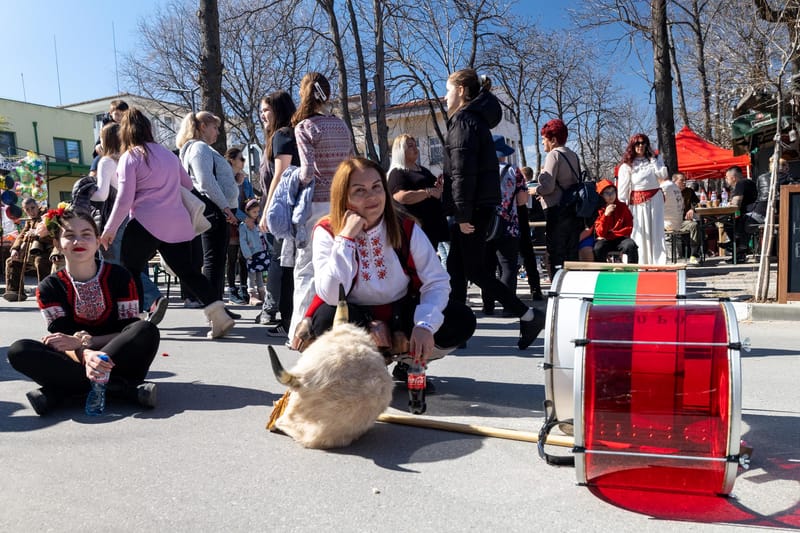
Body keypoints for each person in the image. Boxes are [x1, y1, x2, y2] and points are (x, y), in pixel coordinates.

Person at [308, 157, 475, 382]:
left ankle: (408, 363)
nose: (371, 197)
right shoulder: (328, 231)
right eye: (359, 190)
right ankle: (363, 369)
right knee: (326, 320)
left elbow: (436, 281)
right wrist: (346, 238)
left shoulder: (405, 227)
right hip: (357, 315)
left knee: (459, 319)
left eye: (377, 187)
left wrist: (425, 324)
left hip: (402, 312)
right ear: (343, 196)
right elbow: (329, 293)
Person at [7, 207, 160, 415]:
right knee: (19, 350)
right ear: (57, 245)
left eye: (86, 235)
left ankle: (62, 393)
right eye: (69, 236)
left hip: (119, 358)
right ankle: (122, 388)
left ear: (98, 242)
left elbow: (128, 331)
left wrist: (86, 344)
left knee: (145, 329)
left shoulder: (121, 277)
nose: (78, 241)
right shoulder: (48, 287)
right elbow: (62, 341)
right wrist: (85, 354)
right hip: (75, 360)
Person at [100, 108, 234, 339]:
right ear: (149, 129)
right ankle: (219, 316)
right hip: (177, 223)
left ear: (125, 132)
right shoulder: (169, 155)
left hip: (144, 222)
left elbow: (124, 199)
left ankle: (134, 321)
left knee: (130, 269)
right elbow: (188, 185)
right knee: (189, 272)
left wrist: (109, 229)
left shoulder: (130, 157)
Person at [442, 68, 544, 350]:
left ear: (462, 90)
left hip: (471, 210)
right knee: (456, 270)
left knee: (474, 271)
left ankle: (529, 315)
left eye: (448, 89)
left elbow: (462, 172)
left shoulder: (463, 121)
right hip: (478, 207)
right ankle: (454, 330)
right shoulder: (476, 122)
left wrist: (462, 214)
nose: (445, 96)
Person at [287, 73, 354, 345]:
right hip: (341, 202)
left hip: (315, 204)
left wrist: (289, 183)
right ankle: (335, 330)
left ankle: (298, 334)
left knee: (306, 268)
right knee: (339, 265)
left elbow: (305, 173)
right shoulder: (341, 126)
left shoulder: (304, 127)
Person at [91, 122, 169, 323]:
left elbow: (102, 194)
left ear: (105, 140)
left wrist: (85, 190)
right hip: (135, 216)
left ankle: (150, 298)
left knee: (111, 264)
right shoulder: (132, 158)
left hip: (114, 218)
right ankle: (137, 305)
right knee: (127, 264)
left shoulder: (106, 161)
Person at [176, 111, 240, 302]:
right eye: (215, 127)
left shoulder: (194, 149)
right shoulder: (200, 148)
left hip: (213, 209)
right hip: (214, 209)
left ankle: (217, 305)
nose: (218, 132)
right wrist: (225, 207)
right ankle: (215, 308)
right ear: (203, 127)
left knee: (217, 260)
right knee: (215, 260)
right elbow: (205, 181)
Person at [256, 90, 300, 331]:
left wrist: (266, 212)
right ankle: (283, 314)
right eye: (261, 111)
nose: (263, 115)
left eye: (267, 110)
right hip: (285, 208)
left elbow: (280, 175)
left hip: (282, 210)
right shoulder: (283, 135)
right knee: (285, 262)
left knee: (283, 263)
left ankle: (284, 317)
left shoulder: (283, 136)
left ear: (279, 110)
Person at [528, 118, 582, 277]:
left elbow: (549, 186)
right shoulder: (573, 155)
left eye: (544, 139)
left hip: (556, 211)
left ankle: (558, 289)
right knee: (572, 252)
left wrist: (535, 190)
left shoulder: (554, 155)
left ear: (553, 139)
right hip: (573, 210)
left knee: (556, 253)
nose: (543, 143)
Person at [481, 136, 527, 315]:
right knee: (507, 267)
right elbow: (522, 200)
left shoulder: (480, 173)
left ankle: (488, 305)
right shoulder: (514, 171)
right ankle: (508, 306)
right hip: (509, 226)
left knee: (486, 268)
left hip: (485, 227)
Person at [387, 134, 448, 250]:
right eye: (410, 146)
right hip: (415, 231)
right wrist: (427, 192)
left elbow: (437, 192)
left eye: (415, 145)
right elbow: (401, 197)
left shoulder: (423, 170)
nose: (415, 149)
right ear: (400, 150)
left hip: (432, 228)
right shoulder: (397, 173)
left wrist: (440, 186)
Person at [617, 134, 667, 264]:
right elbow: (622, 192)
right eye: (637, 144)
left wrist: (654, 161)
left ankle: (658, 262)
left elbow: (663, 175)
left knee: (656, 231)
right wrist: (622, 210)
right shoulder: (627, 165)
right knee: (640, 233)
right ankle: (640, 262)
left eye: (643, 143)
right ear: (632, 146)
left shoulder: (656, 159)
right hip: (637, 203)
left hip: (655, 199)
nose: (640, 146)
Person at [3, 198, 55, 302]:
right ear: (24, 210)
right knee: (11, 261)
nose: (31, 211)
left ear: (37, 206)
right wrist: (15, 249)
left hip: (46, 251)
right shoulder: (29, 221)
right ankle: (15, 292)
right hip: (29, 252)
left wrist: (38, 233)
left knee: (41, 261)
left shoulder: (48, 217)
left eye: (33, 208)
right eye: (27, 209)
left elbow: (54, 235)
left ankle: (45, 292)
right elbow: (21, 236)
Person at [224, 147, 252, 305]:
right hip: (231, 223)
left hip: (244, 224)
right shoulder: (226, 179)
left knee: (244, 258)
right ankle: (232, 290)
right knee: (232, 258)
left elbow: (250, 200)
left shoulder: (245, 180)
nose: (243, 162)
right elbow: (228, 203)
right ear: (232, 161)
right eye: (241, 159)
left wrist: (252, 217)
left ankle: (244, 288)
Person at [592, 179, 638, 263]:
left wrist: (613, 234)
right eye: (607, 193)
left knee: (631, 245)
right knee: (598, 248)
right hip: (605, 239)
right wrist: (606, 215)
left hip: (620, 238)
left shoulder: (622, 207)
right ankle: (601, 272)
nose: (611, 195)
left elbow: (629, 227)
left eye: (613, 192)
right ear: (601, 195)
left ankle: (632, 272)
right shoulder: (598, 209)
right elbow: (600, 232)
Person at [660, 173, 700, 264]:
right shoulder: (667, 191)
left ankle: (693, 255)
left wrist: (692, 209)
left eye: (685, 180)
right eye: (681, 180)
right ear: (674, 182)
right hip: (668, 222)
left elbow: (697, 203)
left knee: (694, 225)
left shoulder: (689, 191)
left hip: (683, 221)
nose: (684, 182)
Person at [517, 167, 545, 294]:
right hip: (530, 222)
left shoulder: (529, 188)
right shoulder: (537, 187)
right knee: (531, 255)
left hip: (523, 221)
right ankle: (535, 288)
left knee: (527, 253)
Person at [722, 165, 758, 254]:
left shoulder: (740, 183)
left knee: (726, 221)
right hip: (754, 212)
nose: (726, 180)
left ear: (733, 178)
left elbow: (736, 202)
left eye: (727, 177)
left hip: (750, 216)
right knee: (730, 220)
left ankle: (738, 247)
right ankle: (736, 245)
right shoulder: (749, 182)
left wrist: (729, 204)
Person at [239, 199, 268, 306]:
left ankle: (261, 293)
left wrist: (268, 248)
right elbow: (243, 241)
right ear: (247, 211)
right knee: (251, 275)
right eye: (254, 212)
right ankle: (252, 295)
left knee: (259, 273)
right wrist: (247, 254)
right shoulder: (244, 226)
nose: (256, 214)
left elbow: (263, 237)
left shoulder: (258, 223)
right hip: (251, 254)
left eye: (257, 211)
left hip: (261, 252)